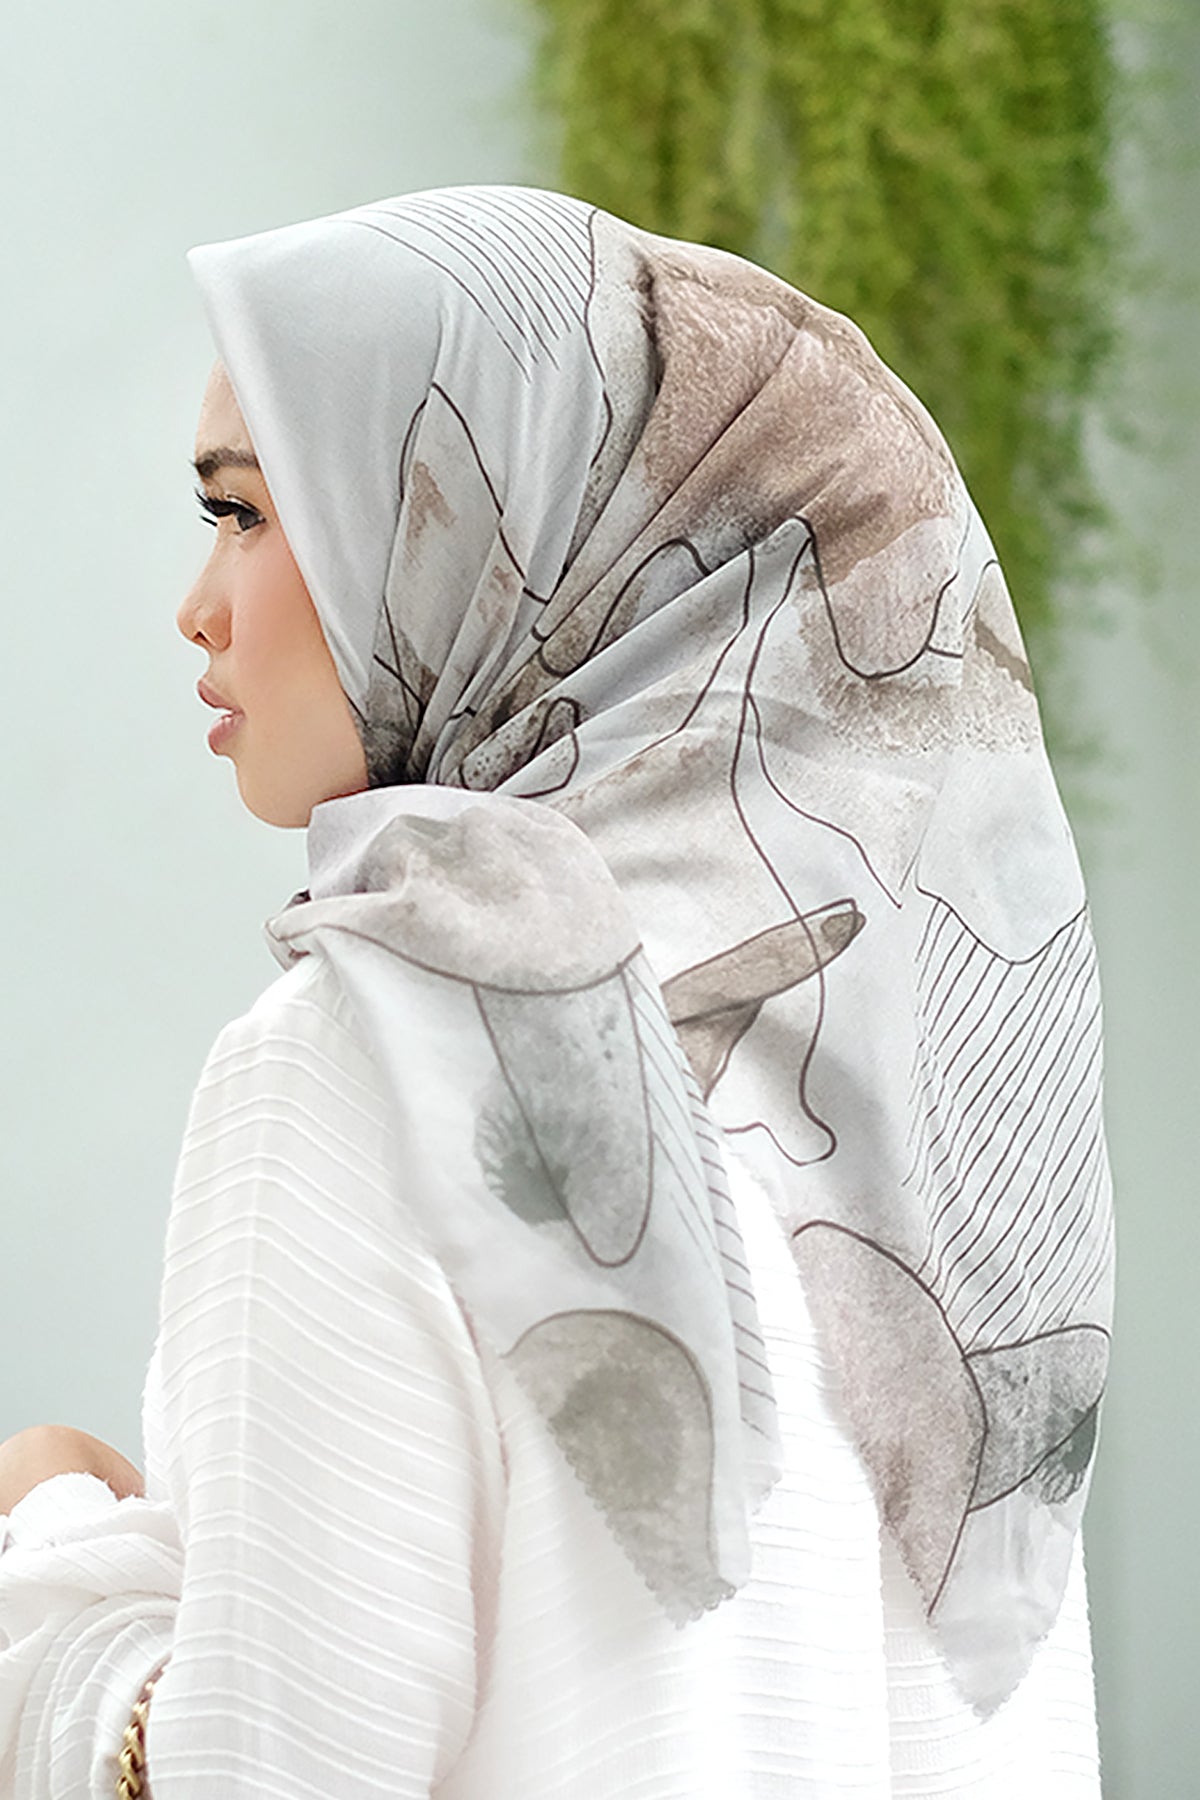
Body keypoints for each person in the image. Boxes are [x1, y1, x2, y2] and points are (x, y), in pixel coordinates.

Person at [0, 185, 1112, 1798]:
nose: (199, 604)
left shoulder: (370, 1057)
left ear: (480, 536)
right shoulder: (921, 1100)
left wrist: (55, 1579)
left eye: (243, 513)